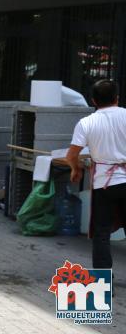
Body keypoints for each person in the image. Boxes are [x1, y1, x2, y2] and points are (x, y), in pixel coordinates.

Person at [67, 79, 126, 269]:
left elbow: (71, 155)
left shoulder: (86, 122)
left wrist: (76, 169)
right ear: (117, 98)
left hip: (104, 185)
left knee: (102, 233)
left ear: (93, 100)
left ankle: (103, 283)